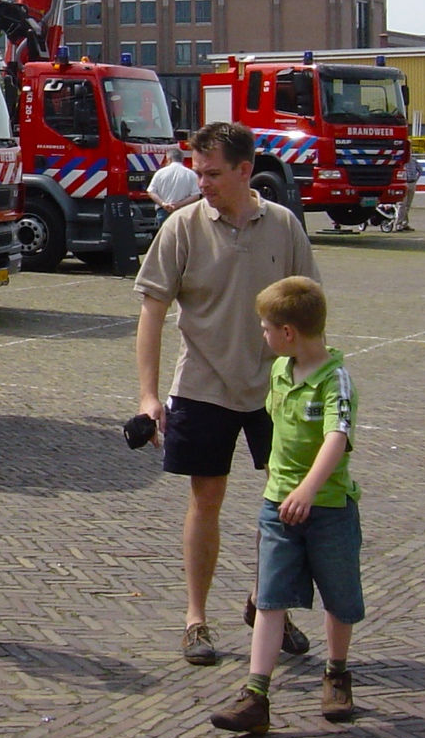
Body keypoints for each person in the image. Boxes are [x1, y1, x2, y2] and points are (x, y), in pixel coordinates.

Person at [134, 121, 318, 666]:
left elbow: (309, 312)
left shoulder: (283, 226)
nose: (201, 181)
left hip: (275, 389)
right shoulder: (183, 227)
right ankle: (196, 620)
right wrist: (148, 397)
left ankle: (269, 607)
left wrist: (316, 381)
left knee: (286, 504)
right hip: (202, 386)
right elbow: (152, 312)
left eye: (213, 173)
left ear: (244, 170)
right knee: (205, 499)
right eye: (198, 171)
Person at [210, 276, 363, 732]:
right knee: (271, 598)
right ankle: (256, 694)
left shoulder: (336, 380)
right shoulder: (280, 371)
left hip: (329, 509)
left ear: (289, 333)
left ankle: (336, 673)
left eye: (265, 328)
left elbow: (337, 436)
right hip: (277, 508)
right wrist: (280, 486)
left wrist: (310, 488)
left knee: (339, 598)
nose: (263, 336)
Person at [148, 147, 201, 214]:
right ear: (182, 159)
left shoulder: (159, 173)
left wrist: (163, 204)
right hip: (184, 212)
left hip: (163, 211)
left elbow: (151, 192)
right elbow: (196, 196)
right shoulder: (191, 174)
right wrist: (178, 204)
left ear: (169, 159)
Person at [390, 153, 420, 232]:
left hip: (412, 182)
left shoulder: (413, 160)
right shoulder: (401, 161)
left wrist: (416, 179)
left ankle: (405, 224)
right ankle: (398, 224)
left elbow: (420, 170)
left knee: (407, 205)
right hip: (404, 183)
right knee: (401, 204)